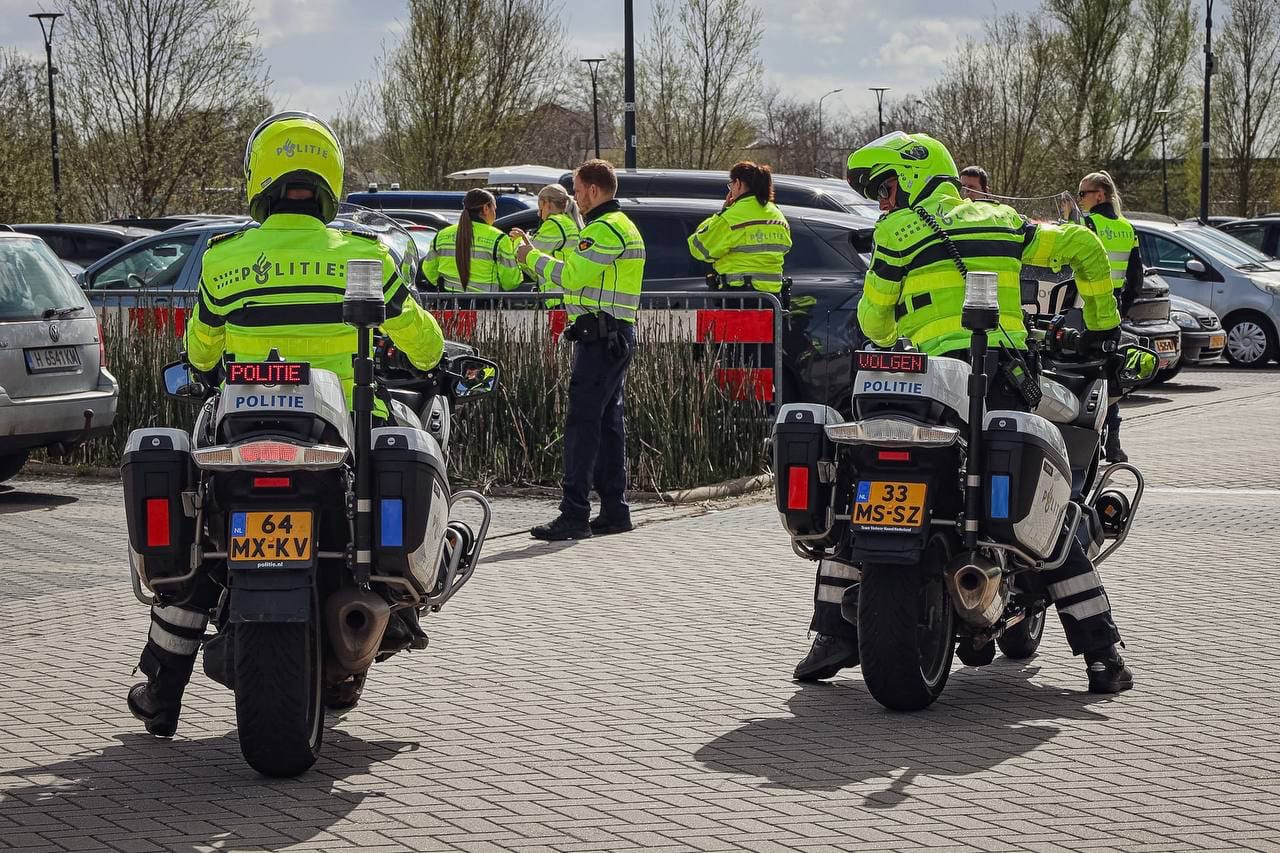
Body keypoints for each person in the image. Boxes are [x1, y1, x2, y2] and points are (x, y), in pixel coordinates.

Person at [127, 111, 445, 738]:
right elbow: (425, 345)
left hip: (241, 433)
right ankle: (400, 608)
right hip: (342, 433)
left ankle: (163, 690)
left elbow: (200, 355)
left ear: (258, 178)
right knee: (410, 442)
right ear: (330, 177)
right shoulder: (364, 255)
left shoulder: (224, 260)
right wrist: (438, 358)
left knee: (202, 545)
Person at [793, 131, 1133, 695]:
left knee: (865, 494)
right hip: (997, 378)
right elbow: (1086, 250)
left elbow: (875, 326)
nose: (882, 200)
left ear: (918, 177)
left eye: (887, 186)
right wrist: (1101, 326)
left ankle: (830, 636)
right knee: (1049, 505)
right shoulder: (1000, 222)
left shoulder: (896, 234)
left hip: (919, 387)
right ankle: (1101, 654)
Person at [510, 159, 646, 541]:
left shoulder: (604, 229)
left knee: (582, 426)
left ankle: (574, 513)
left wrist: (528, 257)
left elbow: (570, 277)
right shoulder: (621, 226)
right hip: (613, 334)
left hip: (601, 338)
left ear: (594, 190)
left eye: (578, 189)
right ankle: (615, 509)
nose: (575, 197)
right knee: (607, 425)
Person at [1078, 170, 1143, 463]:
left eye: (1083, 194)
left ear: (1099, 196)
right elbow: (1136, 278)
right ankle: (1113, 441)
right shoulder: (1128, 229)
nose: (1080, 200)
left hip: (1085, 308)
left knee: (1082, 376)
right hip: (1112, 310)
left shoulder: (1089, 224)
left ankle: (1087, 443)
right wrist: (1122, 308)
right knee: (1108, 377)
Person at [687, 161, 792, 298]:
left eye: (731, 185)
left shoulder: (731, 217)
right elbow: (785, 248)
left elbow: (698, 247)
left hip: (738, 297)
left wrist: (722, 212)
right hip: (772, 299)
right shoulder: (777, 215)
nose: (731, 189)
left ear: (738, 183)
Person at [420, 188, 523, 293]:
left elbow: (429, 273)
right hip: (486, 306)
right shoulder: (499, 238)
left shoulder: (442, 236)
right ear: (486, 208)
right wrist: (516, 249)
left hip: (449, 305)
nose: (495, 214)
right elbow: (510, 282)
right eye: (494, 209)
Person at [524, 183, 584, 307]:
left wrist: (519, 242)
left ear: (548, 204)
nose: (539, 214)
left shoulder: (554, 224)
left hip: (556, 298)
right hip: (568, 296)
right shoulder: (568, 221)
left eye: (540, 209)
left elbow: (530, 259)